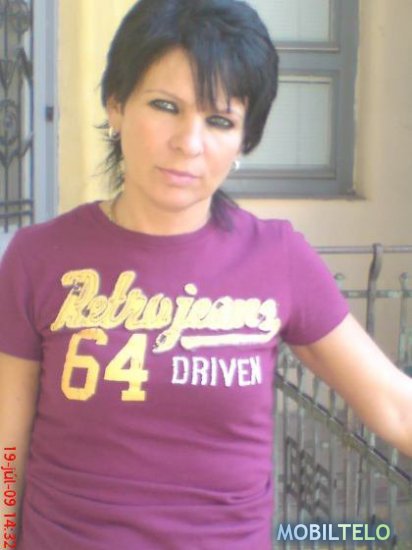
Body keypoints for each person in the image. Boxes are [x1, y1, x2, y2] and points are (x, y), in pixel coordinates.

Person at [1, 0, 412, 548]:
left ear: (244, 140)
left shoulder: (278, 259)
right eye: (165, 106)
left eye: (220, 121)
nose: (188, 144)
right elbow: (7, 449)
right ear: (116, 105)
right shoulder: (38, 257)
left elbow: (396, 407)